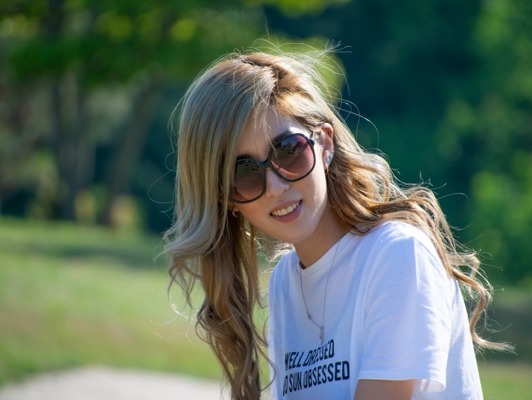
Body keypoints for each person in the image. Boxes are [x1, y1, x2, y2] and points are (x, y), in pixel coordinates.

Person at [164, 45, 510, 400]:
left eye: (289, 150)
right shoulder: (285, 283)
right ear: (225, 198)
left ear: (325, 145)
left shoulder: (397, 255)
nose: (277, 186)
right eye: (244, 173)